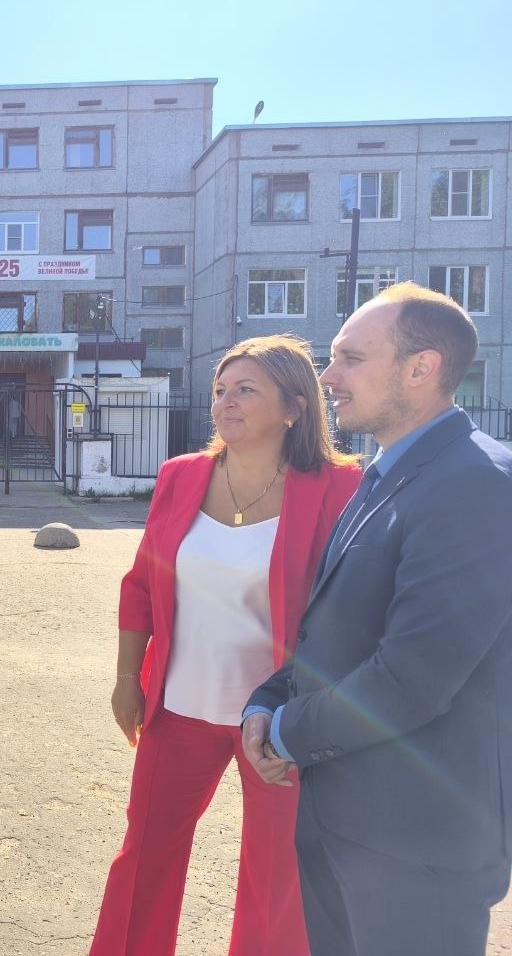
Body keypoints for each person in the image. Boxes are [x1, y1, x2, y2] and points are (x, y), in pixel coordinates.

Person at [243, 284, 512, 956]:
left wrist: (286, 731)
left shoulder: (477, 482)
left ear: (421, 368)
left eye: (351, 358)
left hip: (417, 848)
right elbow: (334, 627)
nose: (327, 376)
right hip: (343, 820)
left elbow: (412, 678)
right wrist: (266, 701)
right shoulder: (386, 471)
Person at [90, 334, 360, 956]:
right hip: (179, 708)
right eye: (219, 390)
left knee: (278, 874)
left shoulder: (339, 488)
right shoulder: (181, 476)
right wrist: (128, 680)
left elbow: (351, 609)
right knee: (144, 854)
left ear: (294, 407)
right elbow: (140, 585)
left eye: (245, 390)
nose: (224, 403)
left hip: (280, 720)